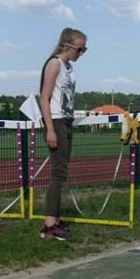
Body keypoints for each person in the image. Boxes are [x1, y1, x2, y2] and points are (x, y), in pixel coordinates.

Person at [39, 27, 88, 240]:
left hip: (66, 121)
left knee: (62, 172)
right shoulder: (54, 64)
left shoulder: (69, 68)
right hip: (56, 121)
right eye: (80, 49)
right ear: (68, 46)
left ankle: (56, 219)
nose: (82, 53)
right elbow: (44, 98)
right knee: (58, 172)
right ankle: (49, 224)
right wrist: (50, 128)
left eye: (84, 49)